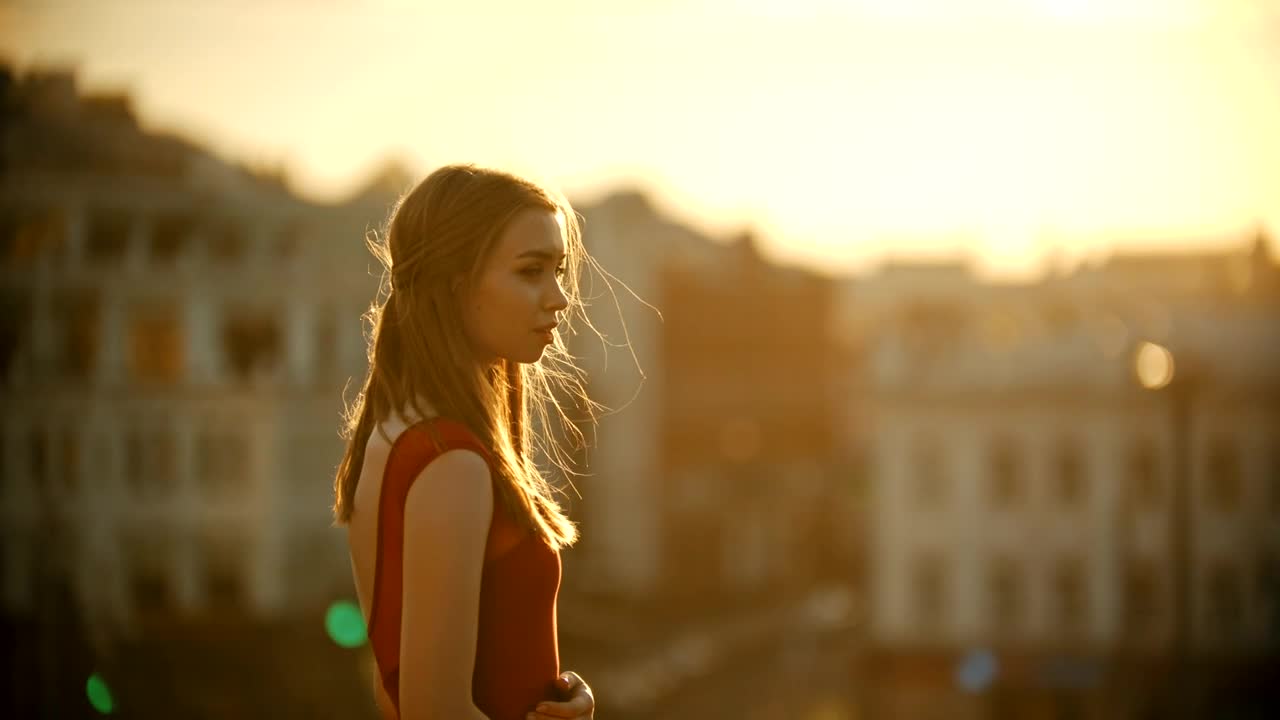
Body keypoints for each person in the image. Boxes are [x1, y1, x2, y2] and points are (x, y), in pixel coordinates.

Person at [332, 164, 601, 720]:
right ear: (455, 283)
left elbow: (396, 691)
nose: (559, 298)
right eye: (531, 271)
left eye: (559, 270)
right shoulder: (451, 461)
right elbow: (434, 711)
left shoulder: (392, 435)